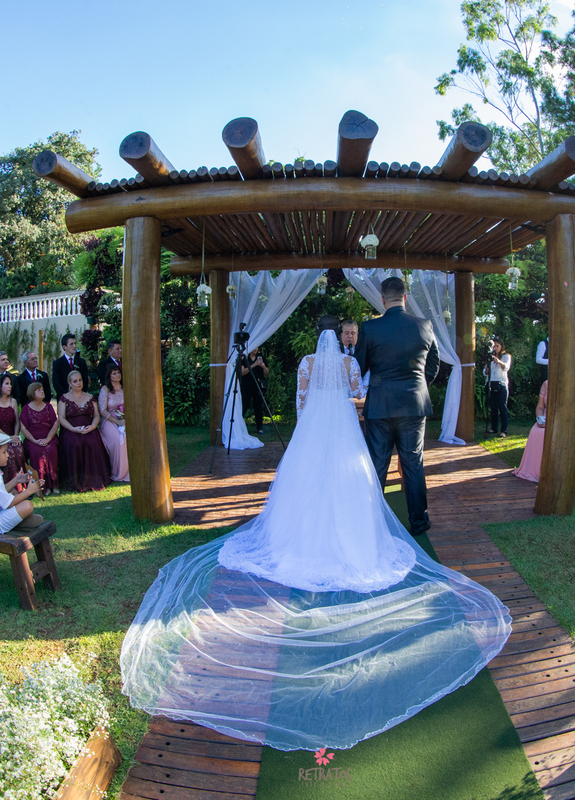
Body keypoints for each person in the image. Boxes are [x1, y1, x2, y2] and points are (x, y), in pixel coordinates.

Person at [120, 326, 511, 752]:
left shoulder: (306, 364)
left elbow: (300, 401)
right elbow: (358, 391)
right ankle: (352, 537)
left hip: (314, 429)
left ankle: (299, 537)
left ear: (313, 343)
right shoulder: (348, 363)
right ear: (338, 340)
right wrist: (347, 402)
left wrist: (309, 425)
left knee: (303, 484)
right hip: (343, 425)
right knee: (352, 480)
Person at [355, 277, 441, 536]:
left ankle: (372, 520)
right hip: (414, 406)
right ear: (405, 297)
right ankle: (418, 522)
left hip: (380, 406)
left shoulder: (370, 328)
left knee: (378, 463)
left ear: (382, 300)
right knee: (413, 463)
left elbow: (359, 367)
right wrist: (416, 386)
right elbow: (434, 365)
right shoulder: (424, 326)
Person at [58, 369, 111, 493]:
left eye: (80, 380)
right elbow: (61, 418)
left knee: (92, 441)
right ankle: (75, 480)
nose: (78, 383)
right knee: (75, 442)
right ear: (69, 383)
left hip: (89, 427)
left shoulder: (90, 397)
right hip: (71, 429)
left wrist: (93, 426)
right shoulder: (63, 399)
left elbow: (97, 415)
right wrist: (72, 429)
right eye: (75, 381)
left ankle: (94, 478)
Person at [20, 382, 60, 496]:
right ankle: (41, 486)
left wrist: (47, 439)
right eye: (39, 390)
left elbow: (55, 424)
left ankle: (54, 483)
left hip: (48, 437)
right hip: (33, 439)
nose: (42, 391)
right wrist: (34, 440)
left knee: (51, 450)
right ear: (32, 392)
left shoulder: (48, 406)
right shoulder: (26, 409)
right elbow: (23, 428)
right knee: (36, 451)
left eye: (42, 389)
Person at [0, 374, 26, 481]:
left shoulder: (13, 401)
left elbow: (17, 422)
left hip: (13, 436)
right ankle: (10, 484)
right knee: (9, 453)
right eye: (7, 384)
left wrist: (15, 435)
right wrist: (7, 438)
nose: (10, 386)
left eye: (10, 384)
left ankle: (22, 482)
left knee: (18, 450)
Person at [99, 365, 130, 482]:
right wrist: (117, 421)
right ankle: (117, 471)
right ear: (109, 376)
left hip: (124, 418)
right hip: (109, 420)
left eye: (118, 372)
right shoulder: (105, 390)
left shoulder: (124, 388)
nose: (117, 375)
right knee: (118, 439)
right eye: (114, 373)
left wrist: (125, 418)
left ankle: (128, 470)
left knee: (128, 437)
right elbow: (102, 410)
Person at [512, 380, 547, 482]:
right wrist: (540, 418)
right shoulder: (546, 384)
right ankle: (532, 470)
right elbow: (540, 406)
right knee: (535, 431)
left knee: (545, 434)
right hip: (544, 418)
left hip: (560, 420)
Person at [484, 336, 512, 438]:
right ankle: (494, 428)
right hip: (491, 383)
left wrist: (498, 361)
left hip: (501, 384)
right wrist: (486, 370)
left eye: (497, 346)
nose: (495, 348)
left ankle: (504, 430)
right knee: (493, 407)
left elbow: (506, 367)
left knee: (502, 407)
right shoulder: (489, 357)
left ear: (501, 346)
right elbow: (485, 371)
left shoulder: (506, 356)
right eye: (494, 346)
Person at [236, 349, 268, 434]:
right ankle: (238, 425)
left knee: (258, 406)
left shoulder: (261, 358)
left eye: (257, 348)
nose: (256, 350)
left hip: (258, 385)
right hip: (246, 385)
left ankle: (259, 427)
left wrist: (263, 366)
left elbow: (266, 373)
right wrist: (254, 365)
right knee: (244, 405)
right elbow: (242, 372)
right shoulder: (244, 358)